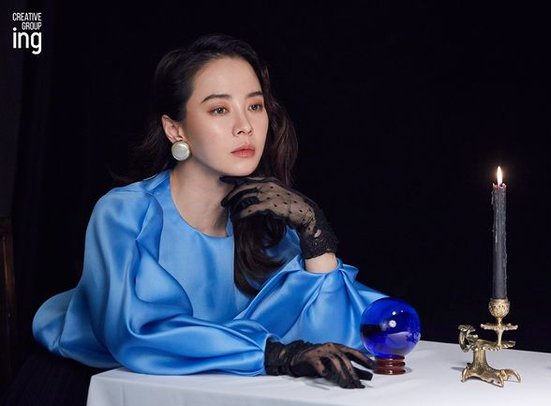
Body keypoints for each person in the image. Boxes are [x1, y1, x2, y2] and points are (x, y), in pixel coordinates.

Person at [12, 33, 386, 403]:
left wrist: (314, 232)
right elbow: (135, 334)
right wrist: (275, 354)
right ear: (175, 129)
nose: (245, 126)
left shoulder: (265, 225)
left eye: (255, 106)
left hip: (210, 390)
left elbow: (341, 337)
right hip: (93, 386)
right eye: (219, 109)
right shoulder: (125, 213)